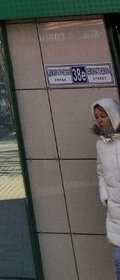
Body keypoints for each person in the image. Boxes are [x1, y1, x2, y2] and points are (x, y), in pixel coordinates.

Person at [93, 98, 120, 279]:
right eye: (97, 117)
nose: (100, 120)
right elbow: (100, 171)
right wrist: (104, 194)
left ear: (113, 115)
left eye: (103, 116)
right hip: (115, 215)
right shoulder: (101, 144)